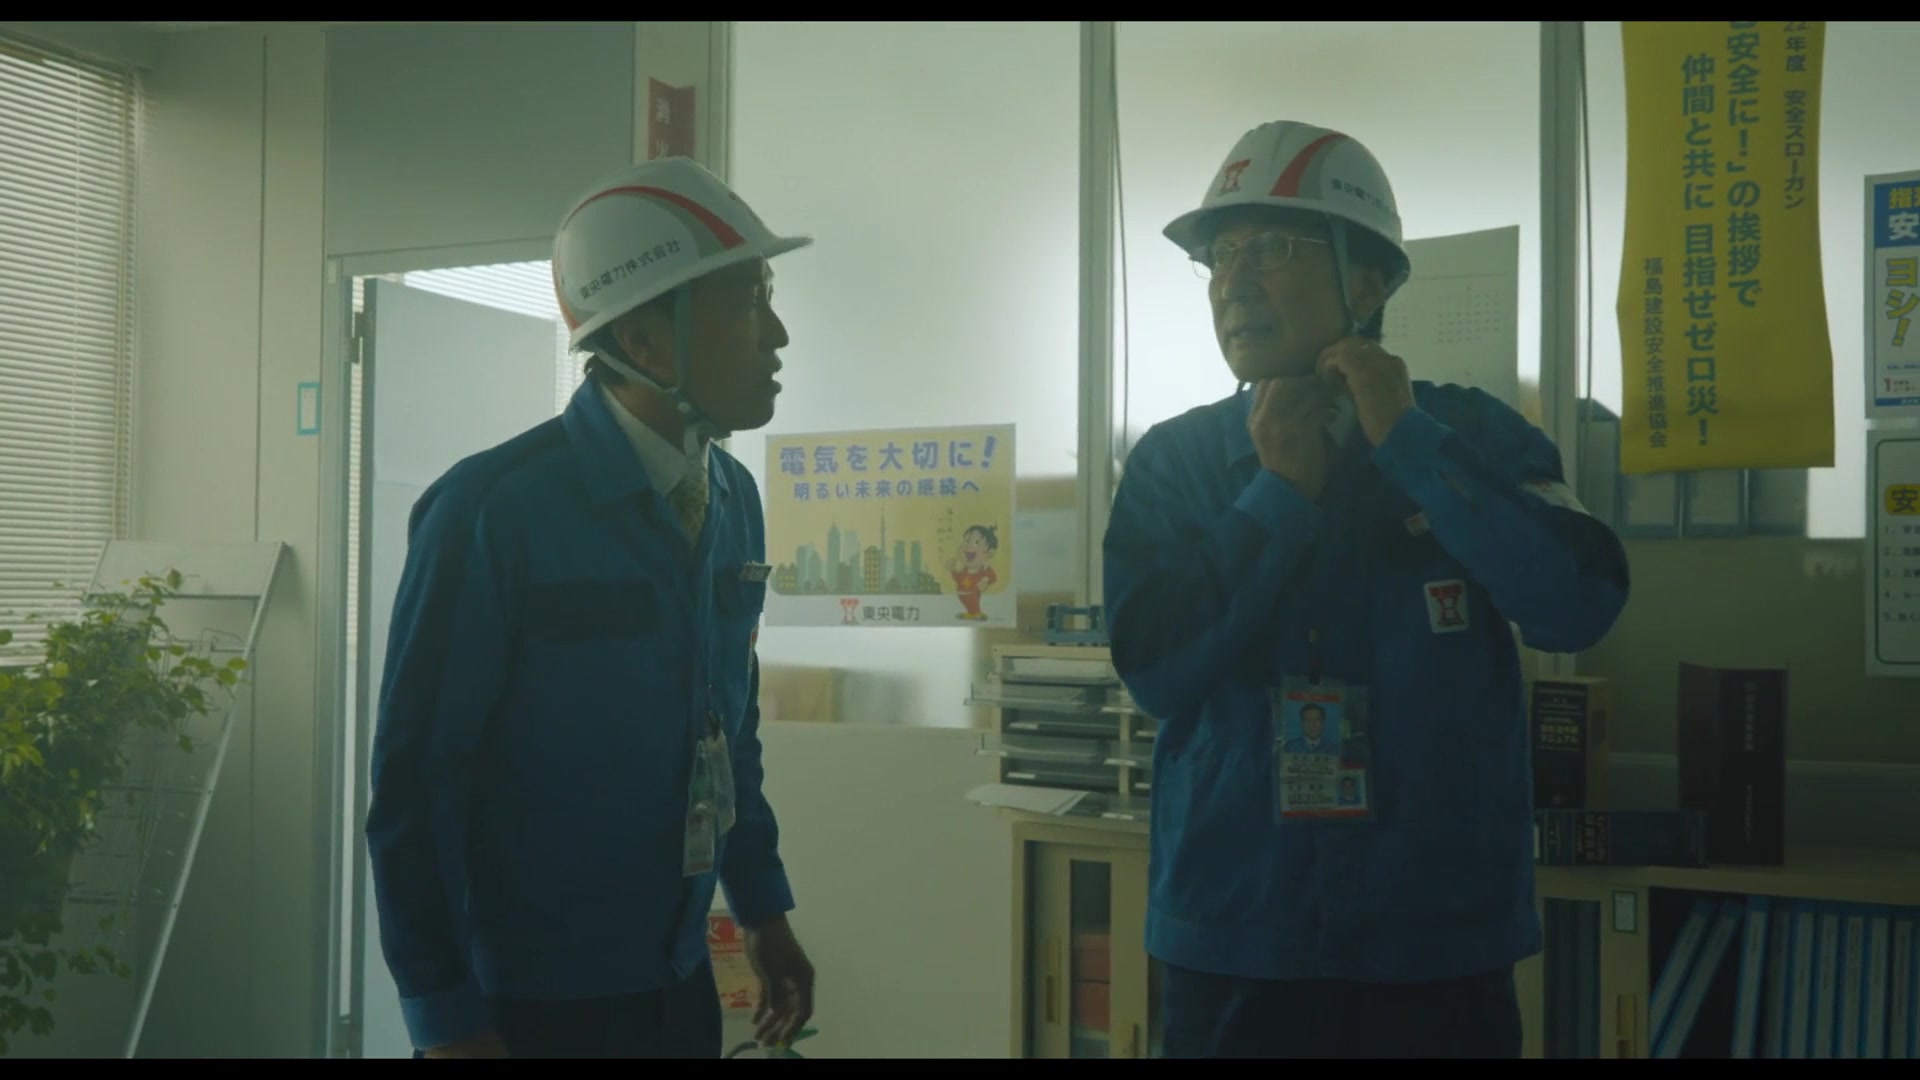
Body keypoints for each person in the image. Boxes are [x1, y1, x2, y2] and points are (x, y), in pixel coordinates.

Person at [1102, 120, 1630, 1059]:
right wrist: (1277, 493)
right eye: (1220, 256)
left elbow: (1576, 604)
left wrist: (1411, 444)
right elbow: (1155, 672)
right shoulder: (1176, 463)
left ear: (1370, 282)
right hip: (1239, 932)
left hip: (1434, 941)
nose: (1233, 282)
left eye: (1271, 249)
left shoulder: (1475, 436)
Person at [365, 156, 817, 1060]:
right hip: (527, 1004)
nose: (777, 335)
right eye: (746, 303)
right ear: (643, 341)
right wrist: (445, 1020)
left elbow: (728, 735)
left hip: (677, 986)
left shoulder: (731, 499)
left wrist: (765, 910)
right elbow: (417, 790)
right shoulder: (493, 512)